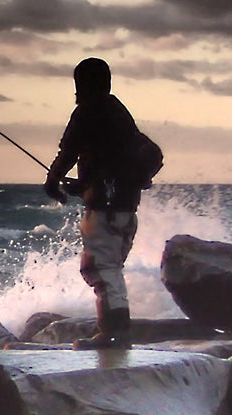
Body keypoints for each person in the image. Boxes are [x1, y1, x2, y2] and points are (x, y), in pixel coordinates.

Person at [44, 57, 143, 350]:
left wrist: (53, 182)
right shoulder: (119, 113)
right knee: (105, 268)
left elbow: (68, 151)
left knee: (101, 269)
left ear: (82, 85)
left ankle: (114, 335)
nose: (76, 92)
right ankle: (115, 332)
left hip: (105, 209)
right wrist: (83, 186)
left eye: (78, 85)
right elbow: (111, 163)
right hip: (125, 208)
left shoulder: (88, 110)